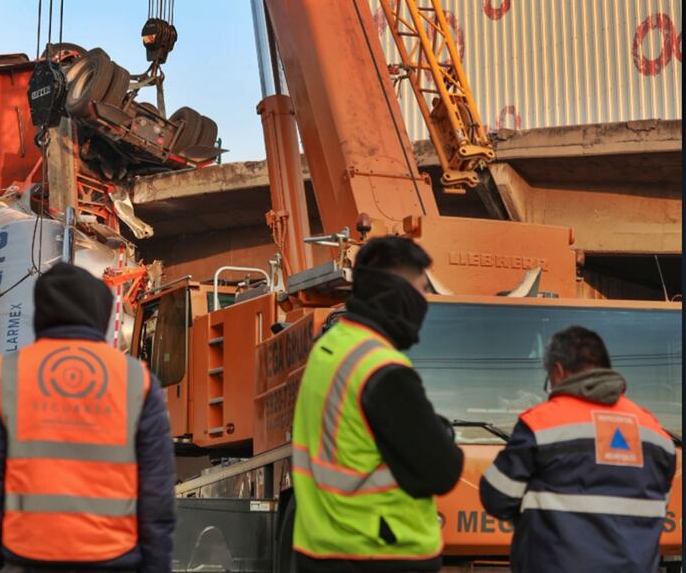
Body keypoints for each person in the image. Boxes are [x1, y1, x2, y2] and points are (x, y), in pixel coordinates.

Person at [0, 262, 175, 572]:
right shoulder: (136, 380)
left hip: (26, 558)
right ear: (101, 313)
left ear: (42, 312)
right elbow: (157, 493)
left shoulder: (3, 377)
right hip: (115, 558)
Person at [290, 236, 463, 573]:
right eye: (421, 290)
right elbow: (441, 472)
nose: (424, 302)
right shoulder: (382, 369)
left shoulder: (330, 349)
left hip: (321, 549)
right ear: (395, 292)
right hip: (383, 551)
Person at [480, 326, 676, 572]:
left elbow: (496, 495)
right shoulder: (656, 434)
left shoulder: (542, 423)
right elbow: (658, 504)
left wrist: (532, 518)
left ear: (558, 371)